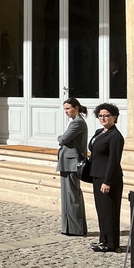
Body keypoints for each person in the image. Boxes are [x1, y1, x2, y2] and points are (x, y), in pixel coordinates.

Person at [89, 103, 124, 252]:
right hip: (97, 176)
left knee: (109, 211)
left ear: (114, 117)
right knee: (102, 210)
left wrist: (107, 182)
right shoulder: (100, 132)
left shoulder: (115, 136)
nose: (103, 118)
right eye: (100, 115)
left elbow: (114, 161)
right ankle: (103, 240)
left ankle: (111, 243)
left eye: (106, 115)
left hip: (109, 179)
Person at [57, 98, 88, 236]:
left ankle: (76, 228)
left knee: (72, 196)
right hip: (66, 162)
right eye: (64, 109)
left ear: (76, 107)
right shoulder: (74, 122)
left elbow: (63, 139)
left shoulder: (78, 123)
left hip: (71, 163)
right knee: (67, 196)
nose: (66, 111)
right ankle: (69, 227)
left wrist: (59, 138)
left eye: (68, 108)